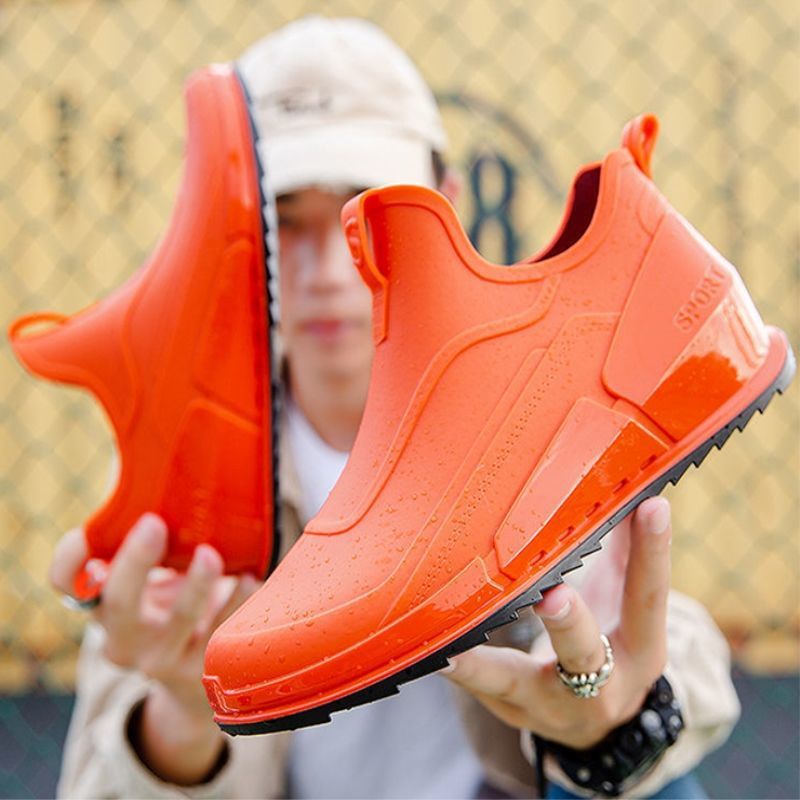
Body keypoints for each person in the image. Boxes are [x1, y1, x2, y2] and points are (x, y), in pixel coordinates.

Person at [50, 16, 740, 799]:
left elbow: (682, 655)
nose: (326, 270)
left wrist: (611, 718)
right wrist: (180, 709)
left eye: (365, 213)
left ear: (449, 203)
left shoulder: (526, 410)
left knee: (645, 781)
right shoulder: (195, 466)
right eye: (283, 221)